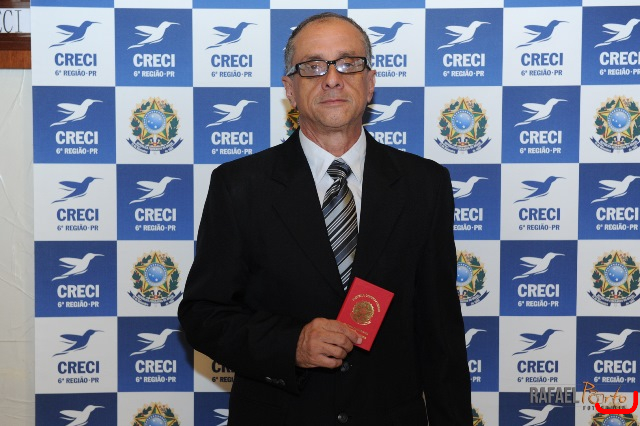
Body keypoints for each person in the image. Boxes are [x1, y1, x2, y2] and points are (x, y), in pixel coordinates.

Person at [178, 12, 472, 425]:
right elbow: (203, 315)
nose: (332, 79)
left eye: (348, 63)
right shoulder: (239, 185)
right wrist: (291, 344)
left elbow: (441, 332)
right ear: (290, 89)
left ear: (370, 82)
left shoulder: (424, 184)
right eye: (313, 66)